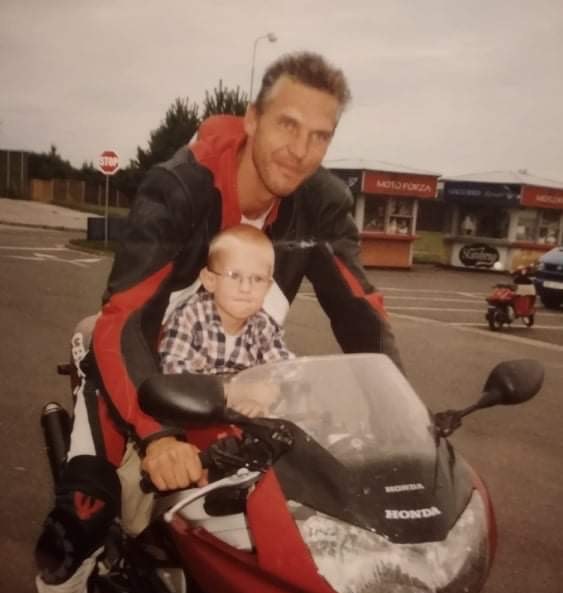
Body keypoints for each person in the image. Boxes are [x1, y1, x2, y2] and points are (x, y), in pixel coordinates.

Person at [35, 50, 403, 592]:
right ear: (253, 119)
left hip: (239, 383)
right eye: (287, 125)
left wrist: (400, 413)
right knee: (84, 512)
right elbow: (125, 319)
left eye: (320, 136)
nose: (300, 151)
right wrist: (159, 437)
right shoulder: (181, 186)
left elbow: (359, 311)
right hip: (141, 368)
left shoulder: (322, 202)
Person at [159, 224, 293, 418]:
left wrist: (265, 396)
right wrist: (232, 392)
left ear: (268, 288)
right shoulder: (189, 317)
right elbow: (175, 375)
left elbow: (283, 371)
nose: (246, 288)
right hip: (192, 414)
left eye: (257, 279)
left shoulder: (263, 325)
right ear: (210, 280)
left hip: (240, 420)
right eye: (235, 275)